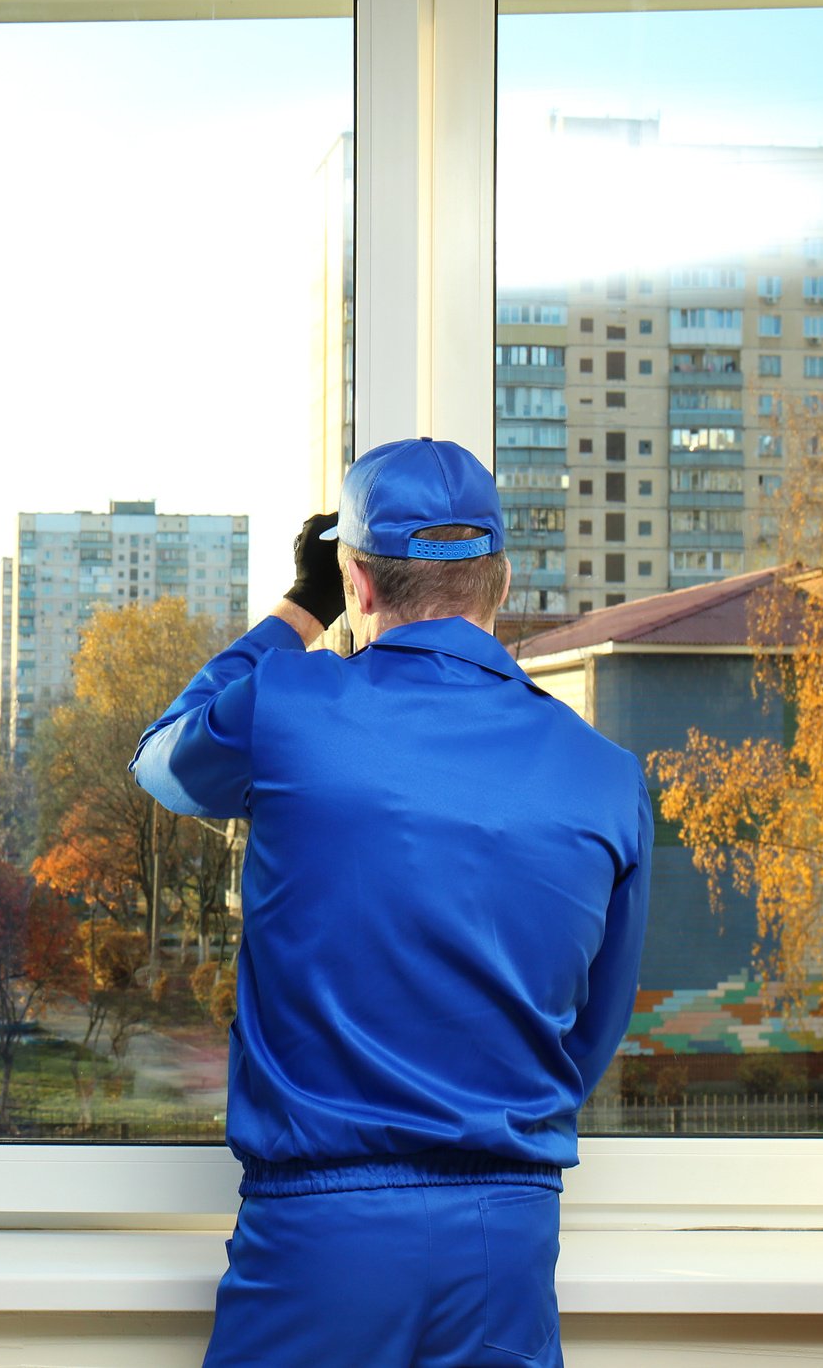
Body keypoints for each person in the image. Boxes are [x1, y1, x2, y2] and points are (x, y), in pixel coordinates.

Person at [131, 437, 651, 1368]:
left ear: (358, 583)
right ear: (498, 585)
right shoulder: (607, 777)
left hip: (324, 1241)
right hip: (507, 1243)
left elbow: (162, 762)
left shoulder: (289, 704)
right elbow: (589, 1034)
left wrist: (299, 610)